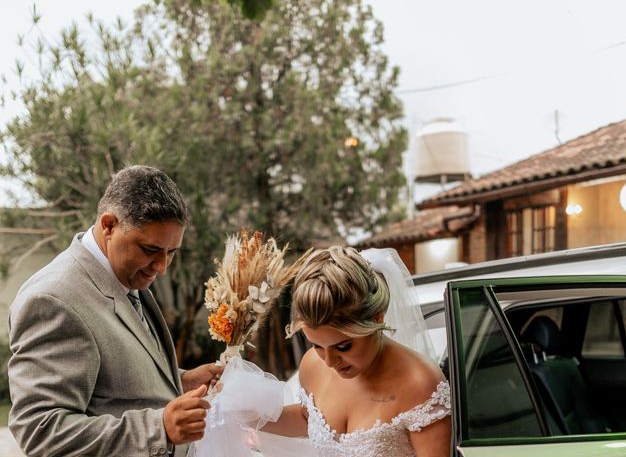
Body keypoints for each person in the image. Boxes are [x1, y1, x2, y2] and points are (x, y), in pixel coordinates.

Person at [8, 165, 223, 457]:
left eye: (171, 253)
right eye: (150, 250)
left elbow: (109, 382)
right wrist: (158, 428)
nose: (161, 267)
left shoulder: (126, 275)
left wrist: (179, 381)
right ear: (109, 225)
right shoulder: (53, 299)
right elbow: (42, 431)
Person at [200, 246, 451, 457]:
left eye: (343, 346)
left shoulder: (420, 384)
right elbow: (309, 420)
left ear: (377, 317)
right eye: (317, 346)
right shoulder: (313, 365)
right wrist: (244, 409)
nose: (330, 361)